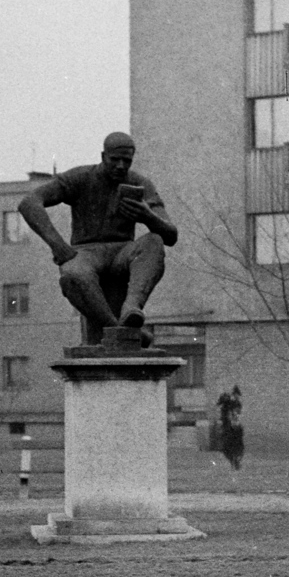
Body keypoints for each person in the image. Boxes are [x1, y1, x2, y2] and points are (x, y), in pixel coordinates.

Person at [17, 133, 178, 343]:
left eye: (127, 161)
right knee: (72, 274)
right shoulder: (81, 177)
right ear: (103, 156)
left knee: (153, 242)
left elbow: (170, 235)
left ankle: (132, 307)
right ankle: (118, 329)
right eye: (115, 160)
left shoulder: (139, 183)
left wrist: (147, 215)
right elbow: (29, 202)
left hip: (122, 252)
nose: (121, 166)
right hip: (87, 252)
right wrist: (57, 245)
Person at [215, 385, 245, 472]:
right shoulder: (229, 402)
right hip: (227, 423)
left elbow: (237, 414)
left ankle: (236, 457)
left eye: (237, 395)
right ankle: (232, 458)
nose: (236, 396)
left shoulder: (237, 403)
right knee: (224, 438)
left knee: (239, 434)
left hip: (234, 423)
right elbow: (224, 411)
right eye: (235, 394)